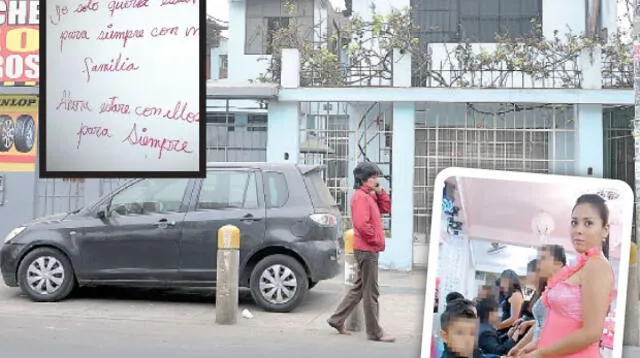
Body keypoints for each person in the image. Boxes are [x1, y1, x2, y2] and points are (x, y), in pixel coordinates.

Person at [523, 194, 616, 358]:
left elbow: (591, 333)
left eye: (588, 223)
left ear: (605, 230)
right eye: (574, 222)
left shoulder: (597, 266)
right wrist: (535, 345)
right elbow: (566, 326)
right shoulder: (583, 264)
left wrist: (540, 353)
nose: (578, 229)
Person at [327, 161, 394, 342]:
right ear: (364, 179)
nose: (376, 179)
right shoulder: (360, 198)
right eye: (373, 177)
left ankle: (336, 319)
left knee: (359, 288)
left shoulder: (369, 196)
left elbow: (386, 209)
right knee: (371, 291)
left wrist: (380, 193)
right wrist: (376, 240)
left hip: (368, 248)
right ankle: (375, 332)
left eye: (376, 176)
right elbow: (362, 225)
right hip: (367, 250)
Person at [508, 245, 567, 356]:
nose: (539, 264)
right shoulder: (549, 289)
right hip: (536, 348)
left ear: (558, 264)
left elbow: (557, 332)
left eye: (543, 258)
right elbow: (539, 325)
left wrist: (528, 352)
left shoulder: (565, 290)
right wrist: (520, 348)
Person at [496, 269, 525, 335]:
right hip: (503, 329)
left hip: (507, 332)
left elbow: (513, 319)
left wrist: (496, 327)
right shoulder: (508, 295)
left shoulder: (516, 295)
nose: (502, 284)